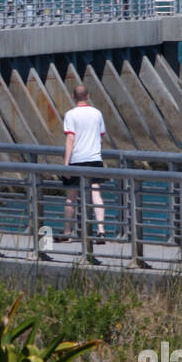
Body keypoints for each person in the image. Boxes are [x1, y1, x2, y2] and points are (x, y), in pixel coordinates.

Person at [57, 85, 108, 244]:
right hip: (94, 158)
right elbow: (100, 138)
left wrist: (66, 163)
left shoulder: (70, 115)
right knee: (95, 193)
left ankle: (67, 232)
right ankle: (101, 231)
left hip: (77, 159)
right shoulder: (97, 113)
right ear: (88, 95)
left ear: (73, 96)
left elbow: (70, 138)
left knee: (71, 196)